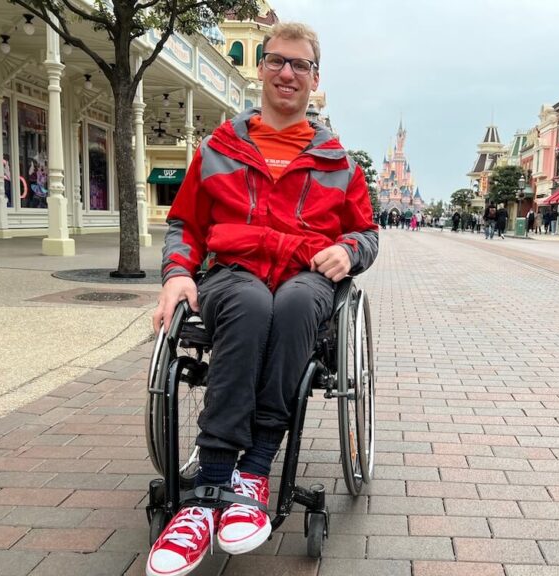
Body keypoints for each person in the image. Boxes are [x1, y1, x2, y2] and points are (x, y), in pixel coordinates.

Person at [147, 22, 378, 576]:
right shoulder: (218, 149)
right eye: (277, 61)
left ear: (314, 77)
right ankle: (211, 486)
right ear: (261, 67)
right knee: (251, 305)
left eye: (299, 65)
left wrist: (348, 250)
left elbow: (367, 233)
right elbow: (185, 224)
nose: (287, 73)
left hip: (305, 275)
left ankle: (255, 465)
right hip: (235, 272)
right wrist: (178, 274)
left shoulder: (340, 163)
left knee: (297, 305)